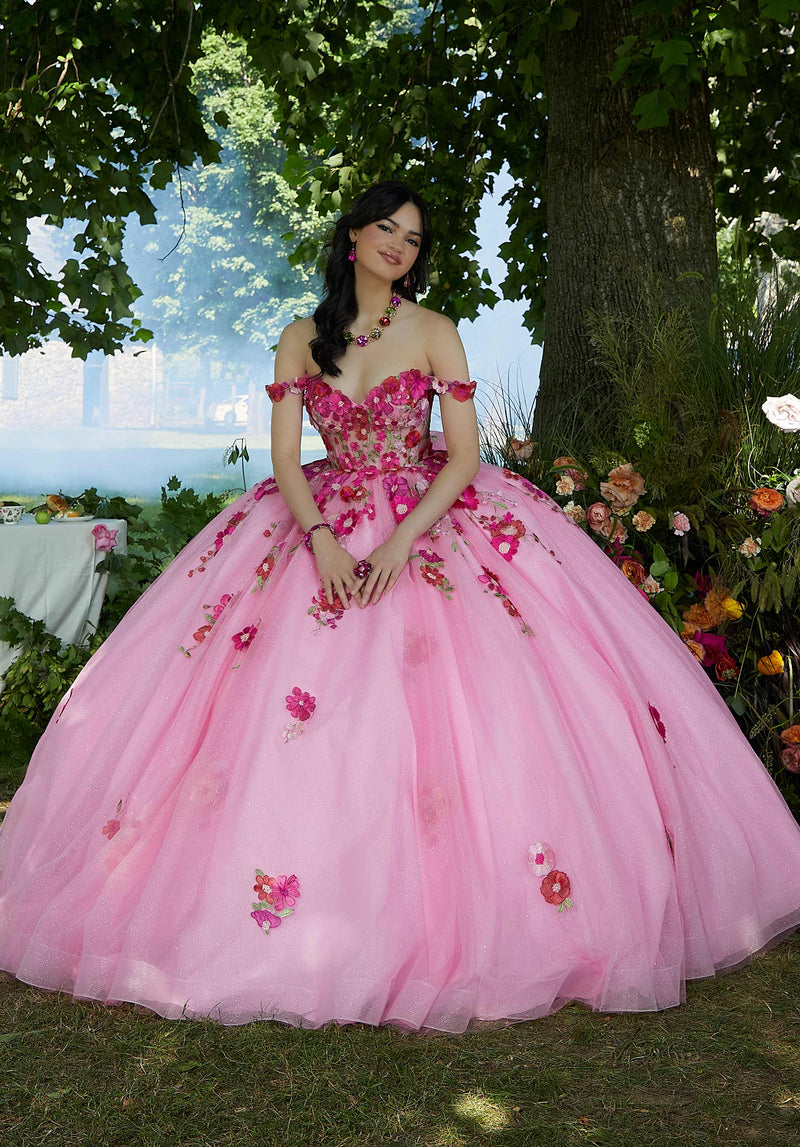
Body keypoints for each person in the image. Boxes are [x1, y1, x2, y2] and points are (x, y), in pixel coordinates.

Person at [1, 181, 799, 1034]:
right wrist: (321, 540)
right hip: (317, 520)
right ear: (352, 235)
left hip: (428, 519)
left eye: (413, 238)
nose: (398, 245)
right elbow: (285, 461)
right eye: (386, 228)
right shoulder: (300, 338)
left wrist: (397, 544)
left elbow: (462, 458)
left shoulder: (435, 331)